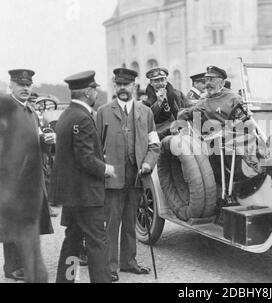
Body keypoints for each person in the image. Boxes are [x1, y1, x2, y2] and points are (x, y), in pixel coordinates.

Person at [96, 68, 161, 282]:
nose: (123, 88)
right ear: (115, 86)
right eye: (119, 84)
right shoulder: (104, 112)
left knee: (130, 220)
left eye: (127, 84)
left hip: (136, 176)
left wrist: (148, 164)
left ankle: (129, 262)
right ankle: (110, 266)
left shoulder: (146, 112)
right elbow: (95, 147)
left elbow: (154, 145)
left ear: (134, 86)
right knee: (112, 223)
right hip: (112, 178)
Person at [51, 71, 115, 283]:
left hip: (71, 195)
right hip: (86, 195)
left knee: (73, 242)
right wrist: (106, 168)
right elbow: (85, 158)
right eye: (94, 89)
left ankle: (66, 280)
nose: (96, 93)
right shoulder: (83, 117)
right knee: (98, 243)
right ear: (88, 92)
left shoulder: (67, 115)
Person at [2, 69, 54, 282]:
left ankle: (24, 264)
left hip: (33, 177)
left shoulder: (31, 112)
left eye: (28, 85)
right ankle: (12, 267)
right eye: (20, 84)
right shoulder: (6, 112)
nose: (25, 88)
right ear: (11, 86)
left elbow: (34, 142)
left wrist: (46, 142)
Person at [178, 66, 243, 126]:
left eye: (212, 80)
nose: (208, 83)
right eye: (206, 80)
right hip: (206, 136)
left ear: (222, 83)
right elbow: (183, 115)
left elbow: (242, 121)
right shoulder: (203, 99)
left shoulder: (234, 98)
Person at [143, 67, 189, 139]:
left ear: (166, 81)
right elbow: (147, 118)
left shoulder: (178, 94)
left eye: (162, 80)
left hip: (180, 133)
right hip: (159, 136)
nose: (160, 84)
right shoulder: (145, 100)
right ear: (151, 83)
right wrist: (158, 103)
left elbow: (188, 107)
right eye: (156, 81)